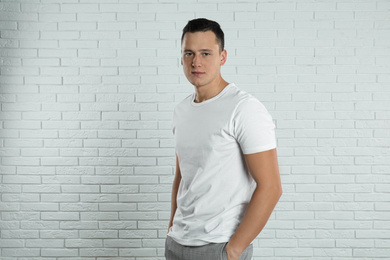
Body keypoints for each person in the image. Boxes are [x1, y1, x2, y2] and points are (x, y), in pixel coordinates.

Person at [165, 18, 282, 260]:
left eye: (206, 53)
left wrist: (233, 249)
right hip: (177, 244)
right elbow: (182, 174)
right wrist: (171, 228)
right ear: (181, 58)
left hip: (218, 246)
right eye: (189, 53)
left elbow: (271, 188)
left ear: (223, 57)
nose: (196, 62)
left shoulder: (244, 108)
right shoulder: (181, 110)